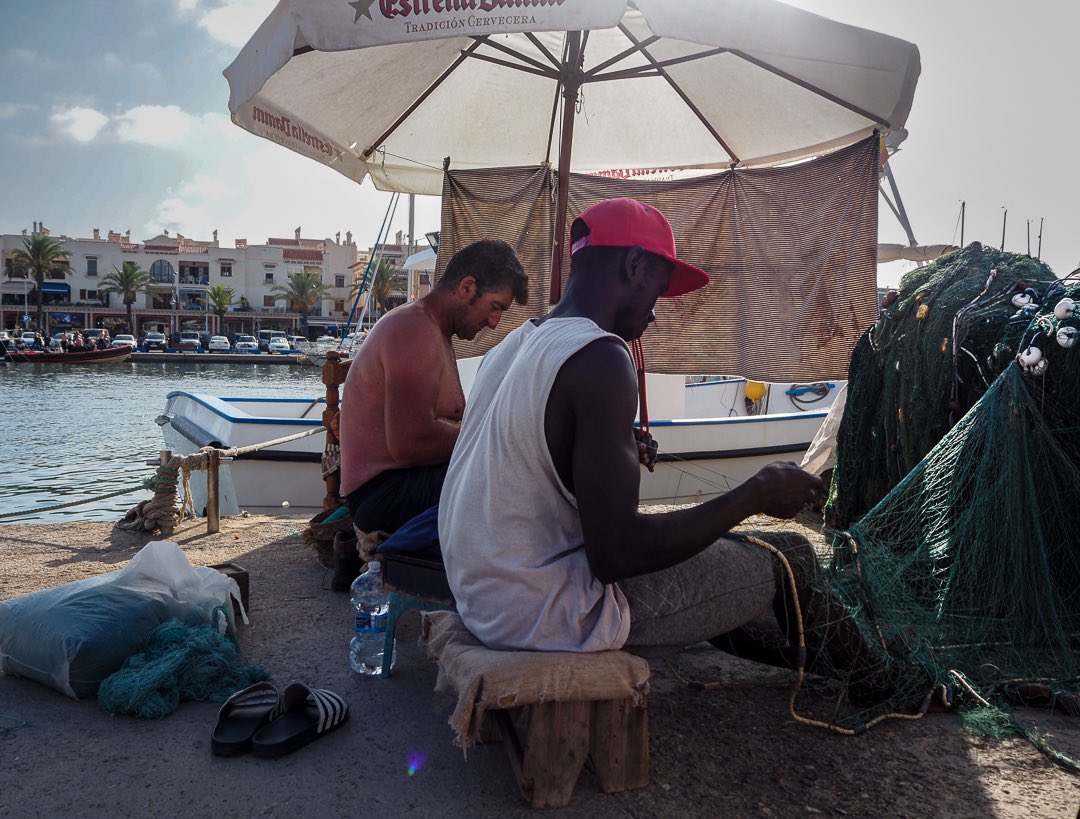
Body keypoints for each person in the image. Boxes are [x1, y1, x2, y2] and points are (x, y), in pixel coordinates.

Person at [440, 198, 928, 707]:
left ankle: (828, 660)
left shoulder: (512, 346)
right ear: (632, 265)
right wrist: (754, 493)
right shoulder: (601, 358)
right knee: (793, 557)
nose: (656, 308)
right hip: (544, 613)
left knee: (724, 563)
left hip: (483, 595)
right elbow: (618, 555)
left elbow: (534, 450)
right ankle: (885, 686)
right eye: (657, 286)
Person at [338, 238, 528, 539]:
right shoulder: (413, 330)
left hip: (398, 487)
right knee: (516, 482)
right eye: (495, 308)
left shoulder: (432, 330)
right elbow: (409, 443)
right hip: (385, 496)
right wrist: (490, 436)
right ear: (467, 287)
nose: (494, 323)